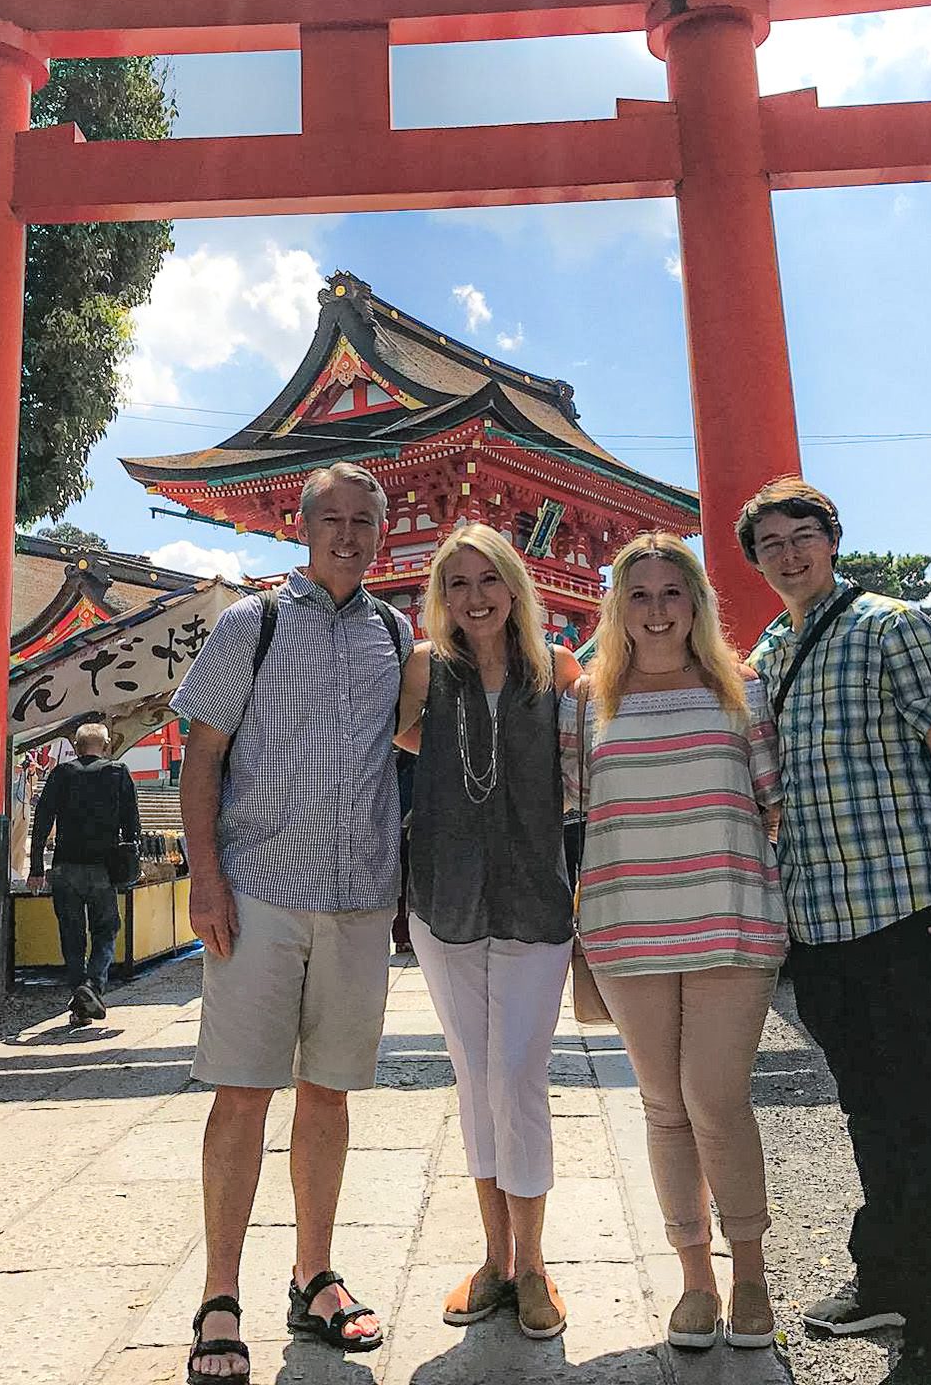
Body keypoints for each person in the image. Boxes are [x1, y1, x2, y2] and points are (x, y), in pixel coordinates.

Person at [738, 477, 931, 1385]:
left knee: (930, 1120)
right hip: (821, 925)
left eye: (802, 535)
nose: (788, 553)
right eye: (769, 544)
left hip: (907, 910)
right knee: (868, 1114)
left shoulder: (890, 625)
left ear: (833, 538)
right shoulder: (768, 652)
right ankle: (885, 1276)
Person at [170, 462, 409, 1383]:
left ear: (381, 533)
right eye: (332, 520)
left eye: (364, 521)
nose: (348, 536)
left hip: (358, 897)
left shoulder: (395, 634)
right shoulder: (252, 625)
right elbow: (202, 763)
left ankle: (314, 1275)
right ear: (301, 528)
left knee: (331, 1094)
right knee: (242, 1091)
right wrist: (207, 882)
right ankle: (219, 1296)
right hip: (262, 888)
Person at [562, 532, 786, 1352]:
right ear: (618, 608)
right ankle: (694, 1277)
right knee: (662, 1105)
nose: (657, 612)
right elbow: (572, 807)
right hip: (627, 922)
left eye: (672, 594)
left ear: (697, 603)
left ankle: (751, 1271)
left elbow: (774, 802)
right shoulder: (586, 700)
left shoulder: (742, 691)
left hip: (730, 915)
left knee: (715, 1098)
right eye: (640, 596)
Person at [395, 524, 580, 1341]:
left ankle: (534, 1263)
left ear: (514, 586)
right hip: (447, 899)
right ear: (441, 597)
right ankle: (495, 1259)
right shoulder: (426, 672)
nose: (474, 598)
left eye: (488, 581)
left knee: (518, 1074)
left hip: (537, 900)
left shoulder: (560, 672)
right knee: (474, 1076)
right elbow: (401, 738)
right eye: (457, 584)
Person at [29, 720, 141, 1025]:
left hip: (65, 866)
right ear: (106, 746)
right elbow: (132, 824)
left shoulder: (62, 773)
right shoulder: (119, 772)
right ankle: (92, 986)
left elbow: (42, 819)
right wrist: (133, 862)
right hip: (103, 868)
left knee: (71, 934)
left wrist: (37, 866)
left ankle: (80, 998)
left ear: (76, 747)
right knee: (106, 931)